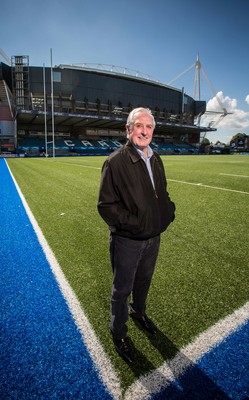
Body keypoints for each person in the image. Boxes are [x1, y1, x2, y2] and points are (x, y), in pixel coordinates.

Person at [97, 107, 175, 363]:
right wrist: (135, 224)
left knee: (144, 281)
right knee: (122, 289)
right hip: (127, 241)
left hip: (154, 237)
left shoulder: (156, 158)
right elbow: (106, 206)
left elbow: (161, 192)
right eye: (138, 126)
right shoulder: (115, 162)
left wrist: (167, 212)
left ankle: (139, 313)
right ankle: (118, 333)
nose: (144, 131)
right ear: (128, 130)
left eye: (149, 126)